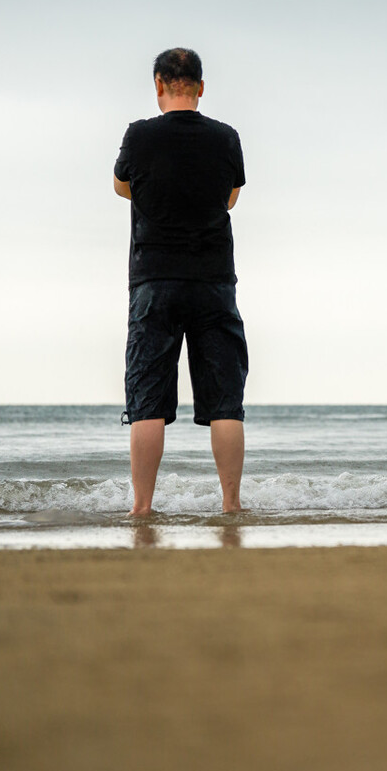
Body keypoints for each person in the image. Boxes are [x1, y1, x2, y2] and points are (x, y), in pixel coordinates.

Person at [113, 47, 248, 516]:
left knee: (147, 401)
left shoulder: (139, 135)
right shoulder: (226, 137)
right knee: (225, 401)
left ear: (158, 85)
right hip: (213, 281)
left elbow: (120, 186)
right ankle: (231, 505)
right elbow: (229, 199)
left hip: (154, 281)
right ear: (200, 87)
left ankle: (143, 508)